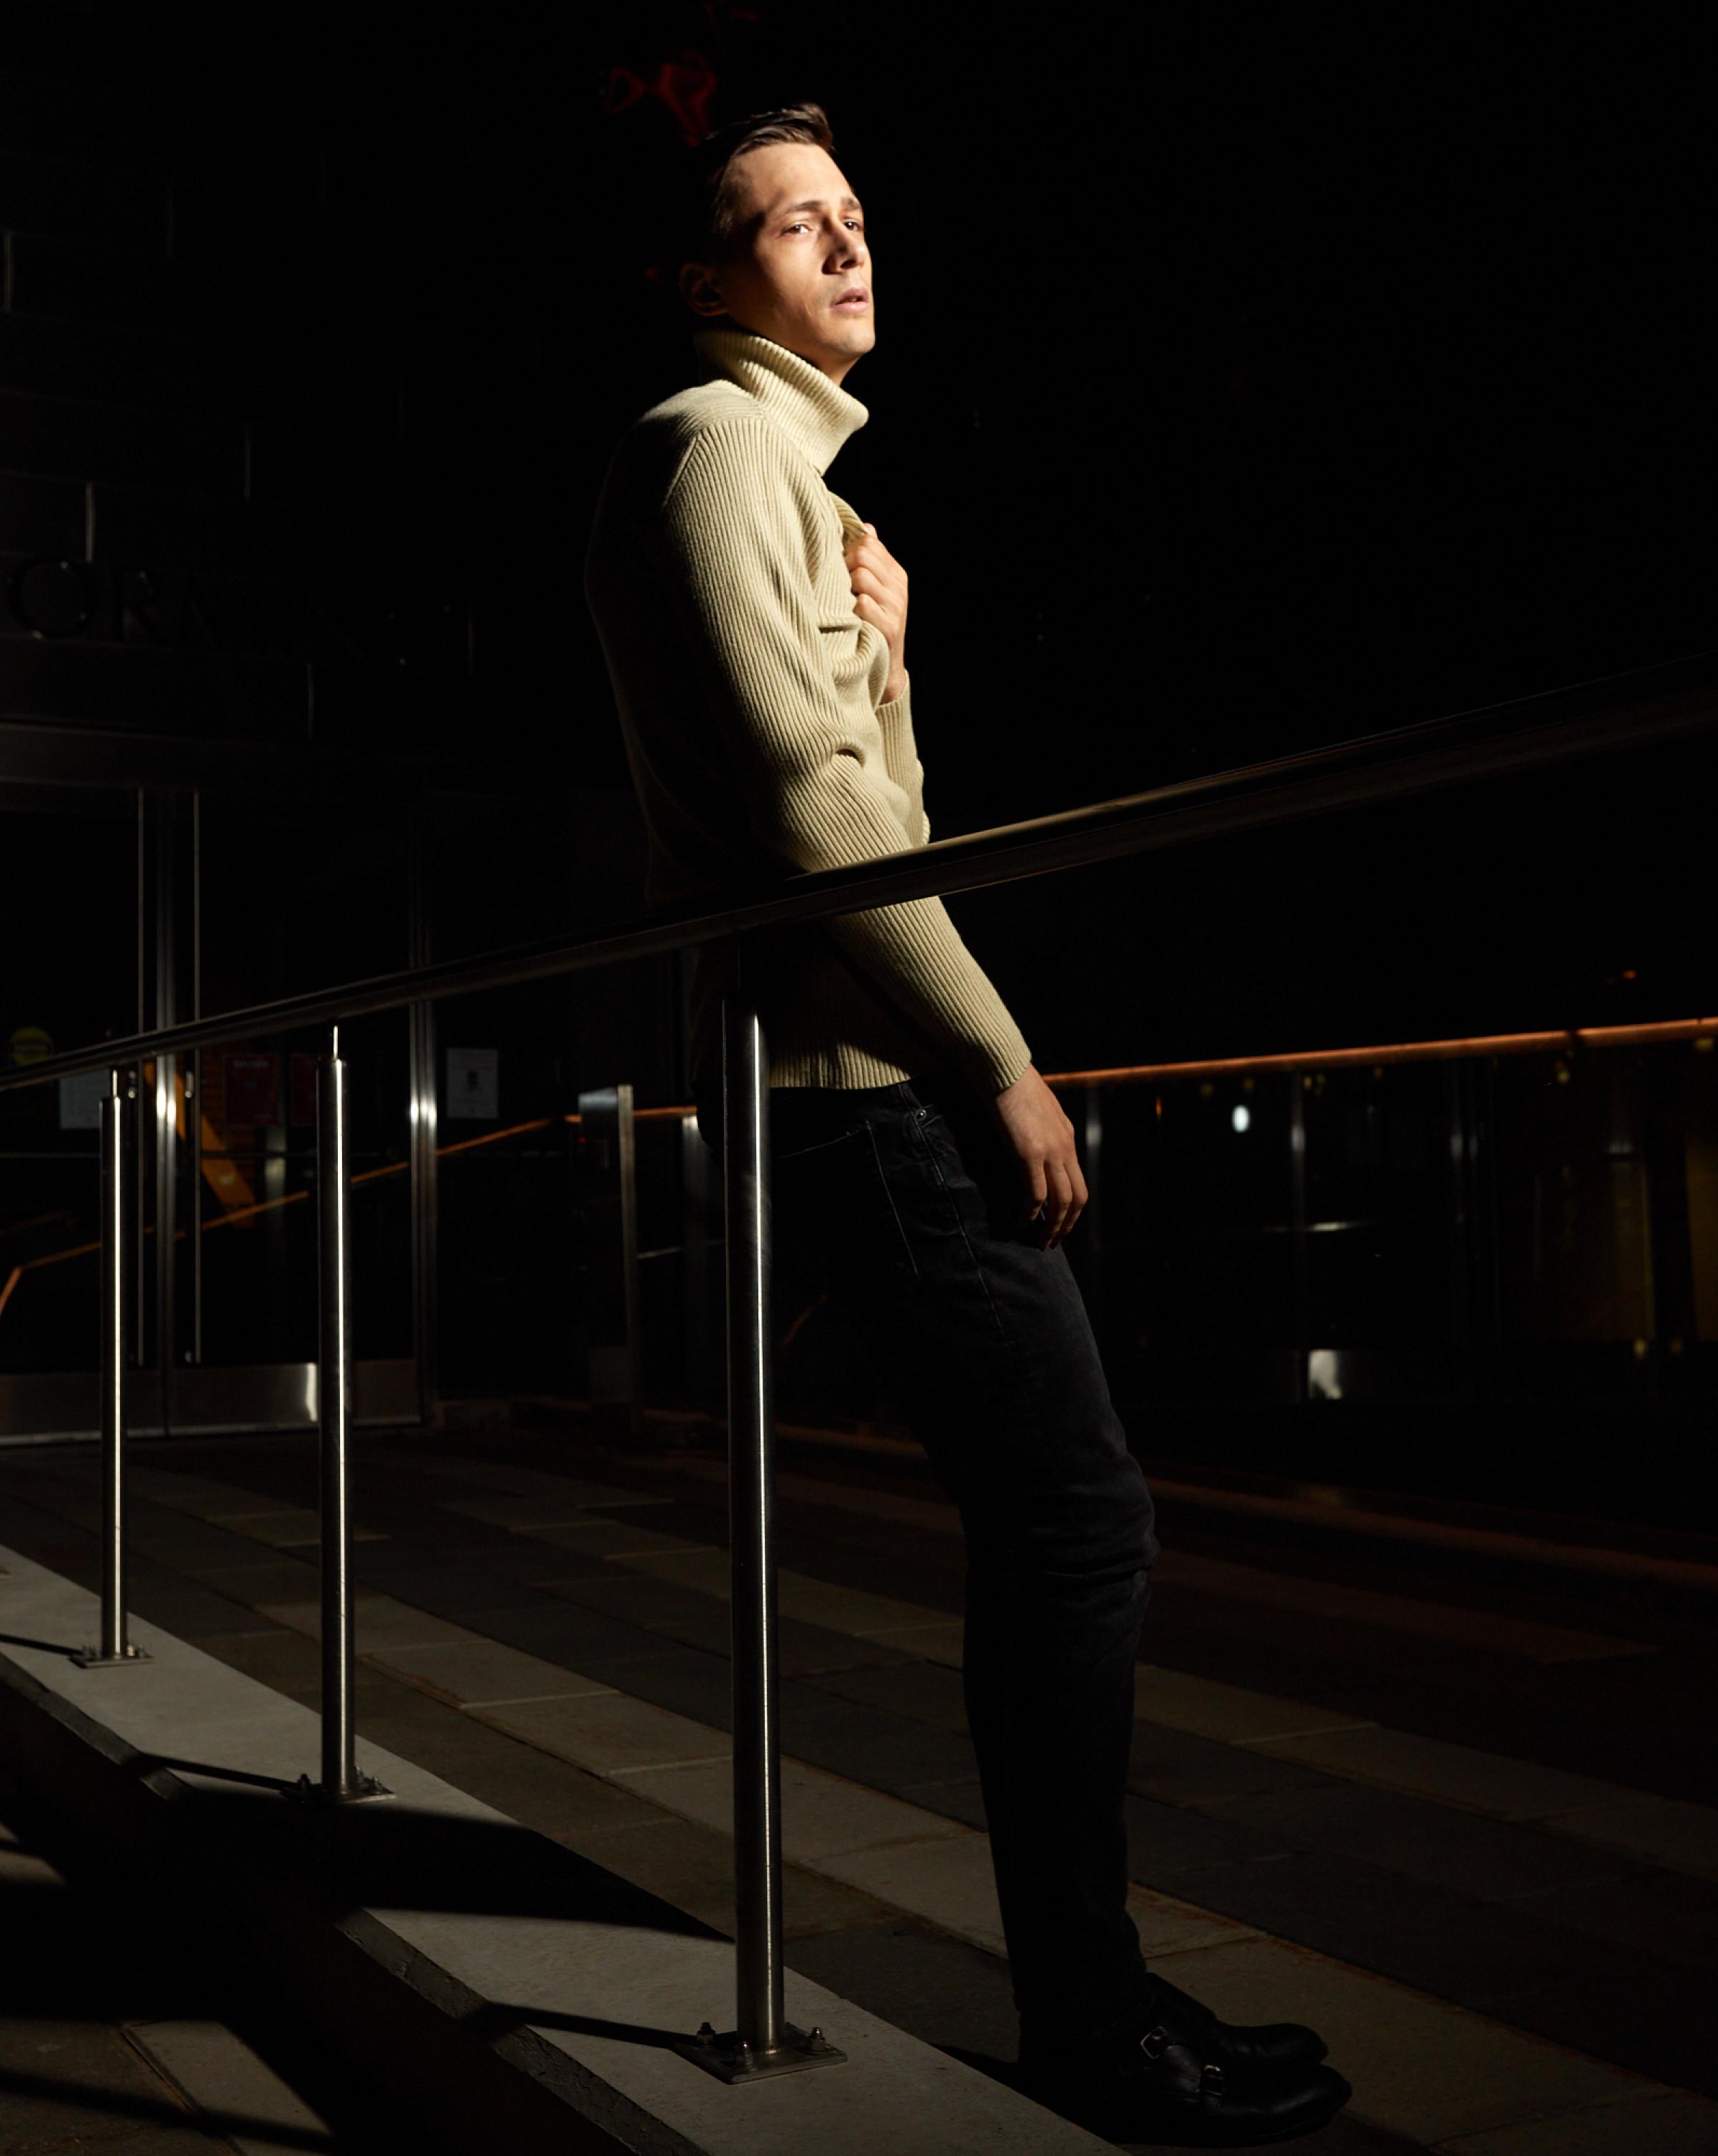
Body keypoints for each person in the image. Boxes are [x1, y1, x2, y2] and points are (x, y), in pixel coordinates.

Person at [582, 100, 1351, 2147]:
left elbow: (847, 765)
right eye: (784, 224)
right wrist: (992, 1060)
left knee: (1058, 1524)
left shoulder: (771, 467)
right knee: (1079, 1524)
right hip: (863, 1087)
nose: (842, 248)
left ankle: (1094, 1995)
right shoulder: (718, 449)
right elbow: (816, 818)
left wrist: (895, 662)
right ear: (698, 277)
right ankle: (1095, 2030)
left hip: (850, 1074)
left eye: (850, 214)